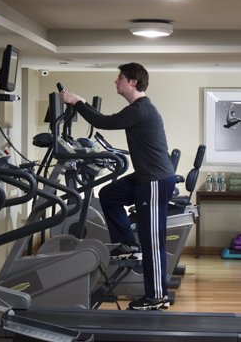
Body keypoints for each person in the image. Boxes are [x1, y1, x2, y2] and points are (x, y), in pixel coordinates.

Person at [59, 63, 177, 311]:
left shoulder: (140, 109)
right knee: (109, 194)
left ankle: (157, 297)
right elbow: (104, 120)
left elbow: (103, 122)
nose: (116, 81)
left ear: (132, 82)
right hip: (145, 177)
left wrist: (77, 101)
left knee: (152, 240)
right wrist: (80, 103)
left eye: (120, 77)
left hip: (154, 180)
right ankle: (128, 245)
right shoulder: (139, 109)